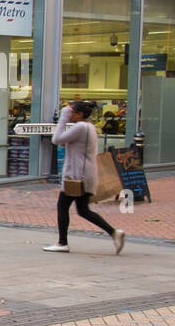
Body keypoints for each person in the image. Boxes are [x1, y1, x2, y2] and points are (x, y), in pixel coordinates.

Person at [44, 101, 126, 254]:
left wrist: (63, 117)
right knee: (83, 210)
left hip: (76, 176)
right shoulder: (89, 127)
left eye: (72, 112)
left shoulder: (81, 127)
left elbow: (56, 139)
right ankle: (114, 233)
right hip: (85, 174)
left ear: (80, 114)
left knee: (62, 206)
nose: (70, 114)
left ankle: (62, 243)